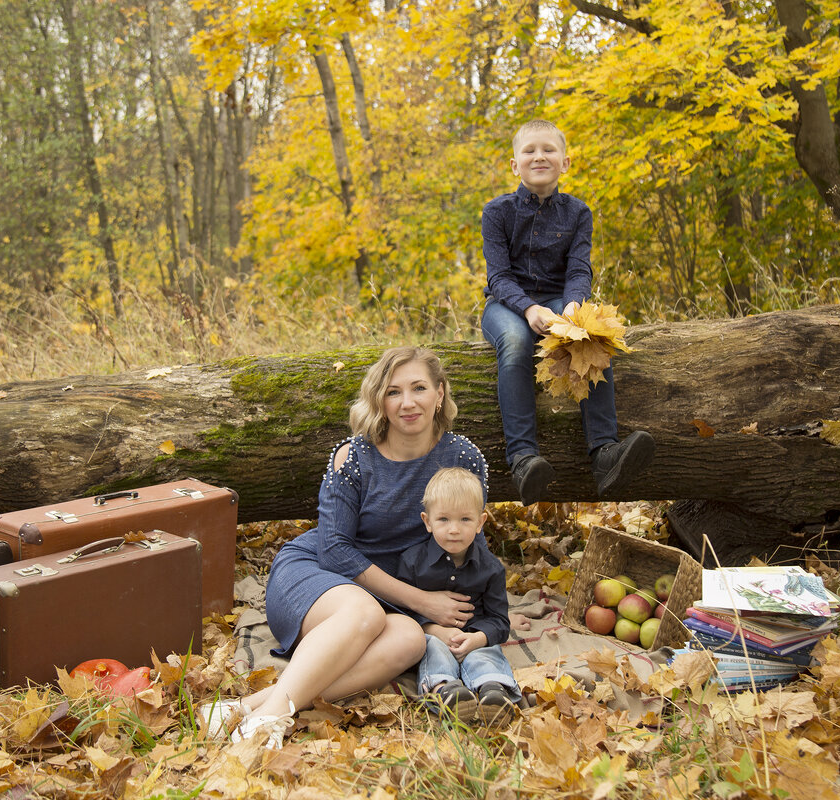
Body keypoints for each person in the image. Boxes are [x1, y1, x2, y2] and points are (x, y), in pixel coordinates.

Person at [201, 346, 489, 747]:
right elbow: (335, 551)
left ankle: (247, 708)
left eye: (419, 388)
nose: (407, 403)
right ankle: (269, 720)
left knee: (410, 639)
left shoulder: (462, 457)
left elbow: (469, 539)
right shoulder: (354, 456)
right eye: (393, 392)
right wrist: (423, 603)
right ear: (380, 401)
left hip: (383, 592)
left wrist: (490, 608)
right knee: (364, 611)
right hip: (319, 573)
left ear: (439, 394)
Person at [481, 118, 655, 505]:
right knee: (514, 343)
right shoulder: (497, 213)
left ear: (565, 162)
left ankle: (605, 453)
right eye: (529, 151)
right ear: (515, 165)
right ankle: (523, 458)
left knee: (592, 336)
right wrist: (528, 309)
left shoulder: (578, 213)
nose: (539, 156)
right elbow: (499, 277)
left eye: (548, 150)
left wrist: (575, 304)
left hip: (561, 297)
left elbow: (579, 268)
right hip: (508, 303)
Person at [397, 467, 520, 722]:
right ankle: (444, 691)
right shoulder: (411, 562)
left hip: (473, 635)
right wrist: (433, 630)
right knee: (433, 650)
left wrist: (478, 638)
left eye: (465, 519)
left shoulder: (492, 568)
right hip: (432, 635)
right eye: (443, 520)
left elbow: (499, 621)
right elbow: (401, 612)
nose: (454, 529)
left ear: (480, 523)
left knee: (487, 653)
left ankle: (493, 691)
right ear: (427, 521)